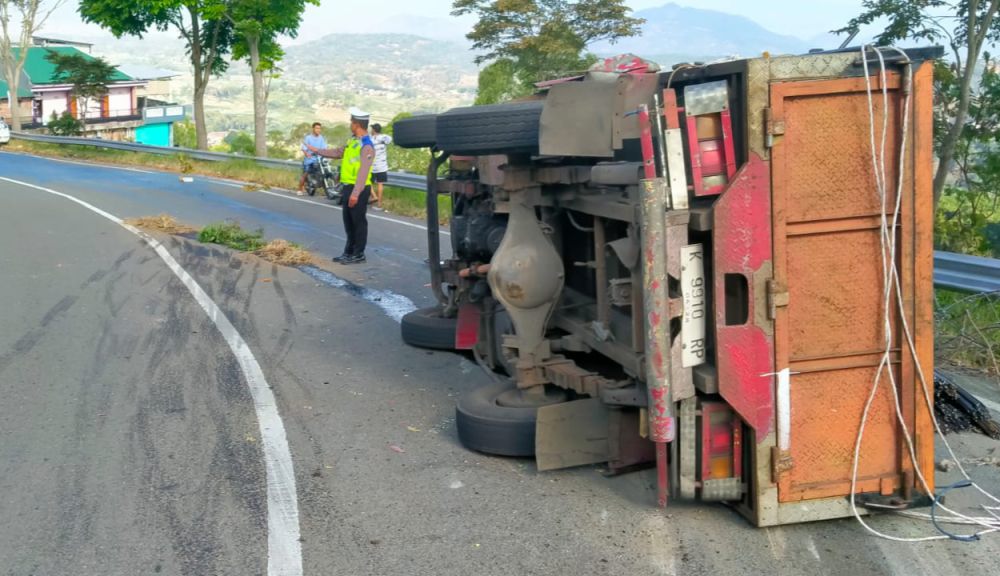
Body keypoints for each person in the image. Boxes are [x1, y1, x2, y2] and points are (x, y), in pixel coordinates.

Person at [306, 108, 376, 264]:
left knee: (358, 222)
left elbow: (364, 171)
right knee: (348, 222)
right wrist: (317, 150)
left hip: (359, 187)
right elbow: (338, 152)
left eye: (351, 122)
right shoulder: (353, 141)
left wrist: (355, 193)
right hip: (348, 185)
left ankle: (359, 254)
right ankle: (348, 252)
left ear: (357, 124)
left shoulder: (366, 145)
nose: (350, 124)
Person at [298, 122, 327, 196]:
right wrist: (307, 154)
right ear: (313, 129)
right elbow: (304, 148)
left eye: (320, 128)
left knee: (325, 171)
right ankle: (300, 189)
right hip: (310, 159)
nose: (318, 130)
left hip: (319, 158)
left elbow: (324, 148)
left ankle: (327, 189)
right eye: (317, 128)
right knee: (305, 173)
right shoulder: (308, 138)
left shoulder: (321, 138)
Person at [369, 123, 393, 209]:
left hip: (372, 166)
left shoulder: (370, 139)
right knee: (380, 184)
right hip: (382, 165)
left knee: (367, 182)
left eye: (372, 129)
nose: (371, 130)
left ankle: (374, 196)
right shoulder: (384, 138)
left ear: (374, 130)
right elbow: (390, 139)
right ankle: (379, 204)